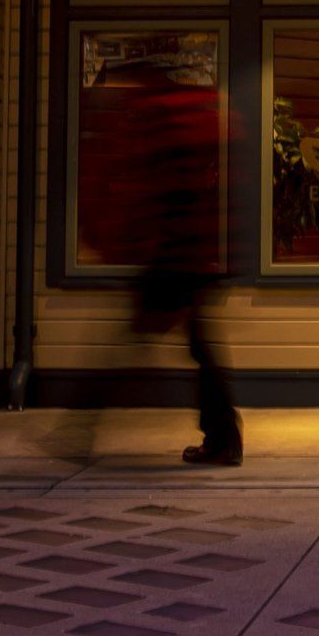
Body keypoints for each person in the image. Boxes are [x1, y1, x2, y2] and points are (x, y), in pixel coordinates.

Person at [119, 58, 243, 467]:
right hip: (201, 253)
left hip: (179, 254)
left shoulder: (161, 122)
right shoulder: (191, 114)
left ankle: (223, 435)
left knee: (155, 336)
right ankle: (223, 433)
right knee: (198, 344)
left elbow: (157, 194)